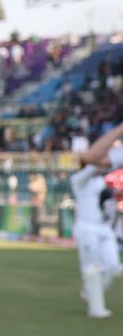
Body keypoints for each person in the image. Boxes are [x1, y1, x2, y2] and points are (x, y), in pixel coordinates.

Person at [67, 124, 123, 317]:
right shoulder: (78, 179)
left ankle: (89, 292)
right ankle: (96, 308)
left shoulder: (101, 180)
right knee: (92, 268)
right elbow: (91, 164)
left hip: (103, 228)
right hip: (86, 228)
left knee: (114, 266)